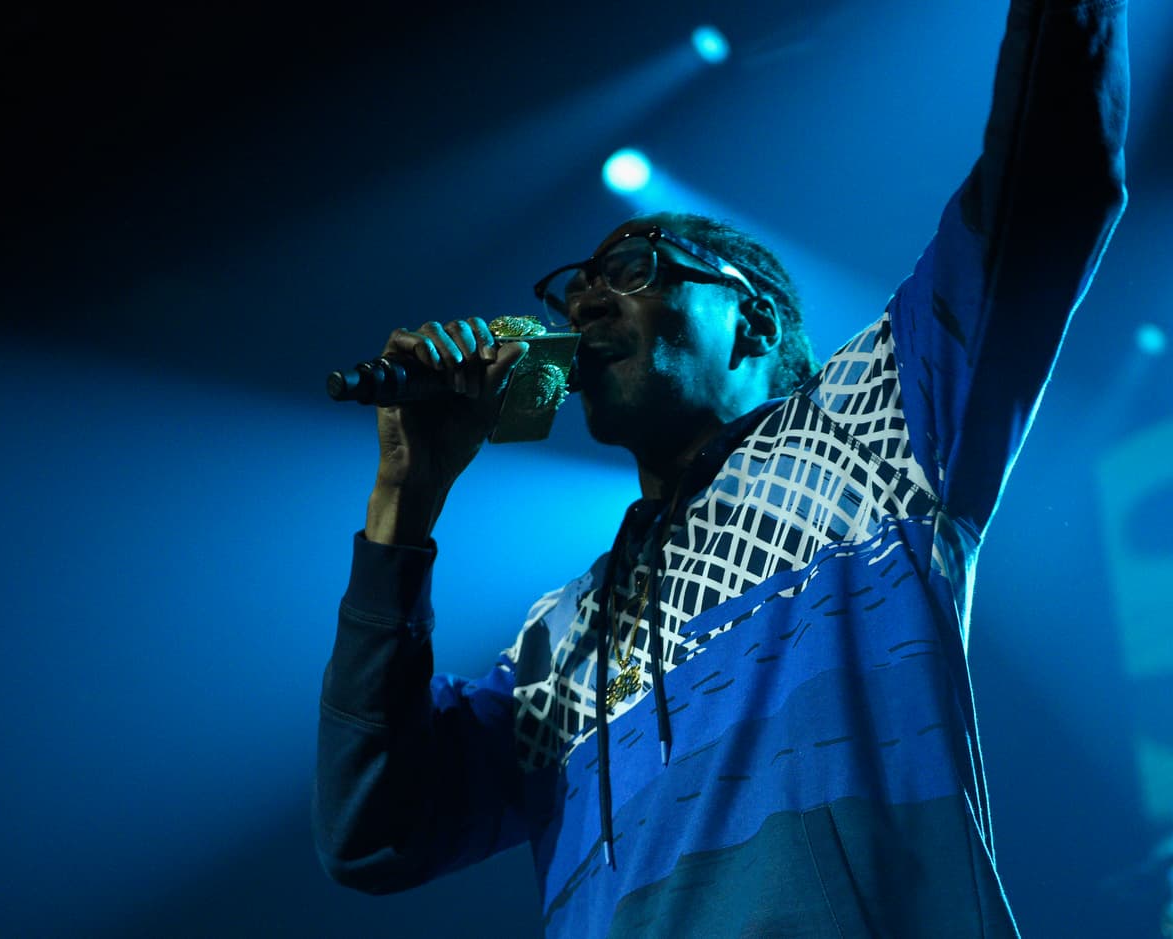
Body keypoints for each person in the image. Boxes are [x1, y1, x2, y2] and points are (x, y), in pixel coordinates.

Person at [313, 0, 1130, 935]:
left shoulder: (872, 420)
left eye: (633, 269)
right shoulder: (557, 640)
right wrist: (405, 503)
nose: (584, 302)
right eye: (575, 290)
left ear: (752, 320)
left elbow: (1048, 177)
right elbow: (370, 831)